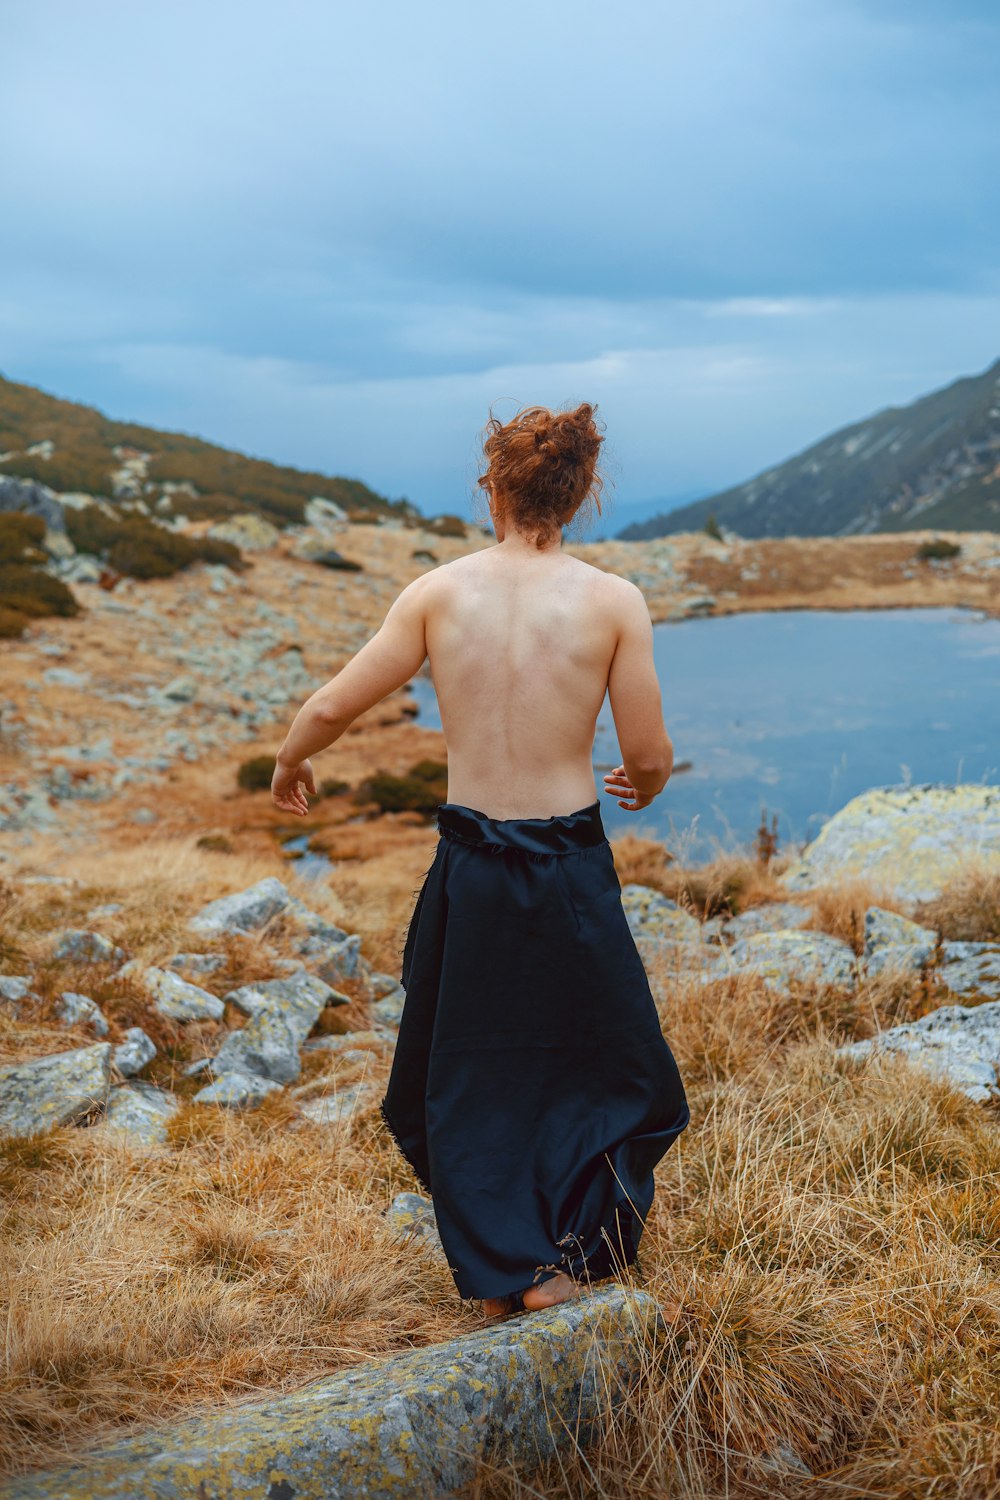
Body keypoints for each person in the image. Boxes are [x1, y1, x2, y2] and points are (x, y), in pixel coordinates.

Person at [272, 401, 690, 1322]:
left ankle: (506, 1266)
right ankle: (562, 1257)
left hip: (469, 866)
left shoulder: (437, 593)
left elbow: (336, 706)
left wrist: (292, 755)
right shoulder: (614, 601)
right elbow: (650, 753)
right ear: (579, 494)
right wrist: (646, 786)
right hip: (570, 865)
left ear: (490, 488)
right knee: (612, 1066)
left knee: (465, 1066)